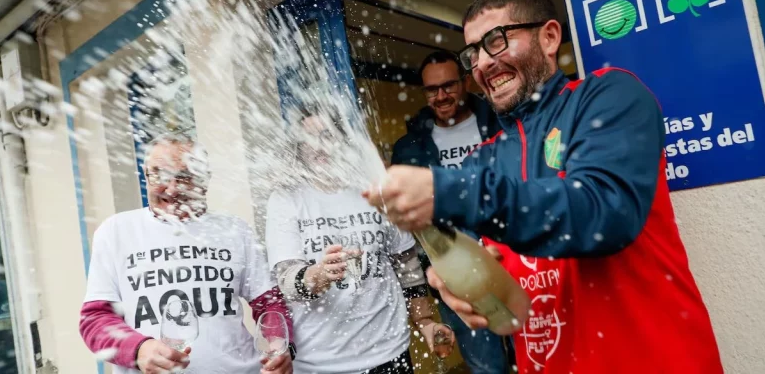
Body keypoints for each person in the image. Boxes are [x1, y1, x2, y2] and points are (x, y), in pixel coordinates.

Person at [365, 0, 723, 373]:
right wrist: (452, 283)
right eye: (473, 53)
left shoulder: (607, 96)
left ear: (549, 37)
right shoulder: (485, 158)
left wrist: (448, 190)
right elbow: (492, 267)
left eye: (497, 40)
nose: (483, 63)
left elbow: (603, 212)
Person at [79, 133, 294, 374]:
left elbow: (269, 304)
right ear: (146, 175)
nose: (171, 189)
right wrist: (139, 349)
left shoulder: (236, 229)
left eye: (184, 176)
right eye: (159, 175)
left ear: (205, 179)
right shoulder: (115, 232)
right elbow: (95, 320)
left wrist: (279, 346)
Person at [265, 105, 454, 374]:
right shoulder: (286, 199)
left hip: (390, 350)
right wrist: (318, 274)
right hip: (323, 362)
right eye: (308, 139)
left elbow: (406, 264)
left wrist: (425, 321)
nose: (318, 146)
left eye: (327, 136)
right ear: (298, 147)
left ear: (342, 140)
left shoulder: (373, 189)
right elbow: (286, 282)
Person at [391, 50, 511, 373]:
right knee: (486, 367)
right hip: (457, 275)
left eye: (448, 86)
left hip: (513, 262)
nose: (441, 96)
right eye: (432, 90)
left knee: (538, 354)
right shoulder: (408, 149)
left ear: (465, 82)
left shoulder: (501, 123)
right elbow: (409, 219)